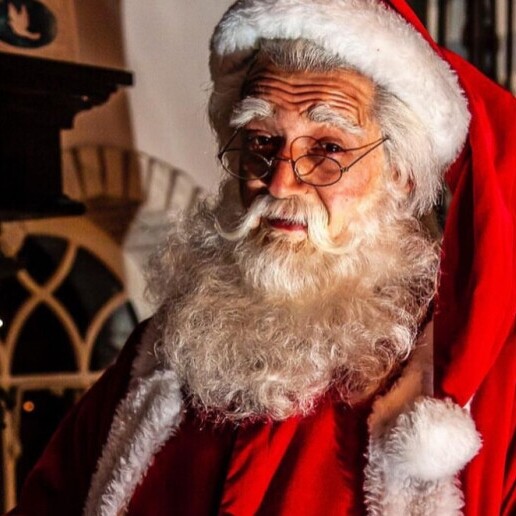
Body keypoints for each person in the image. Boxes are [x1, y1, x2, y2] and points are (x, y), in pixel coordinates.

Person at [11, 0, 515, 514]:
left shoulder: (489, 395)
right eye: (261, 140)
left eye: (328, 150)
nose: (278, 180)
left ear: (401, 176)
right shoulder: (160, 359)